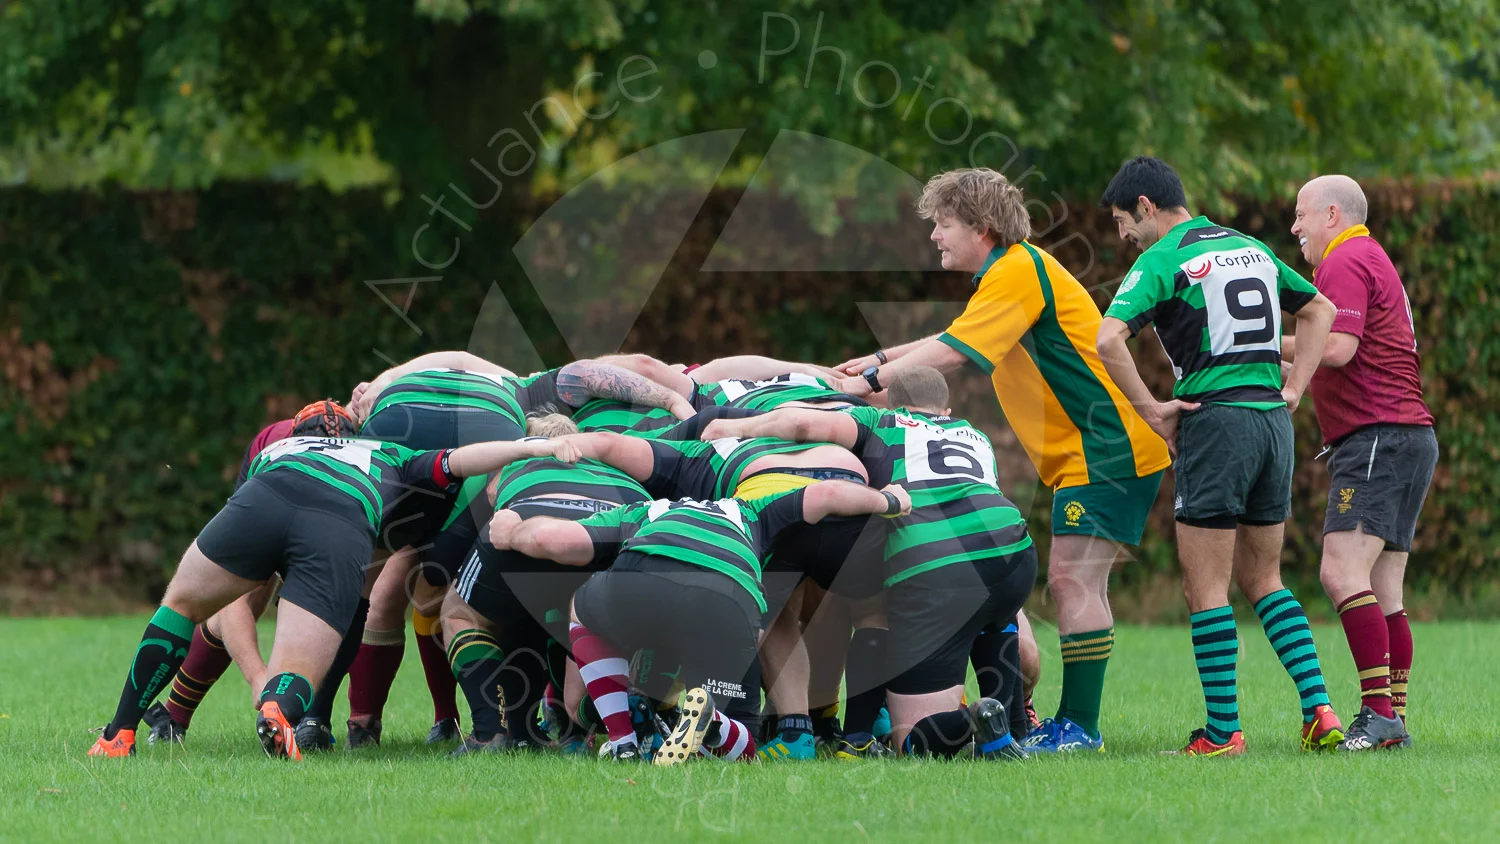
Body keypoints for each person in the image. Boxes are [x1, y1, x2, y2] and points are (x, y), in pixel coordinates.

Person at [833, 168, 1171, 754]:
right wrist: (874, 360)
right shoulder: (1010, 274)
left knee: (1073, 581)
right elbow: (951, 336)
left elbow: (954, 354)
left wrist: (862, 382)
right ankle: (1058, 721)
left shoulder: (1016, 270)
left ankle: (1078, 728)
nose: (935, 236)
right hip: (1094, 454)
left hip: (1107, 449)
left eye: (943, 223)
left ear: (982, 228)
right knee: (1074, 582)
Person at [86, 399, 581, 760]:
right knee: (299, 665)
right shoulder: (387, 452)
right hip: (337, 522)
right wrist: (531, 446)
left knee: (179, 605)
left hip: (265, 498)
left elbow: (235, 583)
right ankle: (280, 710)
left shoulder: (273, 449)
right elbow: (460, 459)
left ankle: (118, 733)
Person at [1095, 155, 1343, 756]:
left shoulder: (1165, 258)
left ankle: (1222, 732)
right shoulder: (1250, 247)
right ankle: (1321, 714)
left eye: (1123, 222)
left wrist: (1153, 411)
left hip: (1214, 424)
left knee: (1205, 588)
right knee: (1266, 579)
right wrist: (1295, 389)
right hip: (1270, 425)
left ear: (1148, 207)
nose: (1122, 237)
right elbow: (1319, 311)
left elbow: (1106, 338)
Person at [342, 353, 694, 748]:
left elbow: (452, 549)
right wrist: (679, 401)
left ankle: (487, 729)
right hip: (610, 536)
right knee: (581, 641)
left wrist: (442, 562)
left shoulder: (512, 454)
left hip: (523, 520)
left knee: (457, 609)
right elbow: (643, 368)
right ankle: (621, 708)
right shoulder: (623, 467)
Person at [702, 366, 1038, 759]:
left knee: (910, 742)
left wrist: (735, 428)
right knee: (996, 615)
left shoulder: (879, 420)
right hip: (1015, 547)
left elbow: (802, 423)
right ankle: (1011, 728)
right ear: (945, 408)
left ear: (893, 402)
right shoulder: (976, 435)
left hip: (935, 563)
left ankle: (973, 720)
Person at [487, 478, 913, 764]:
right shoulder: (753, 509)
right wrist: (889, 499)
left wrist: (509, 529)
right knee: (746, 745)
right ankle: (714, 725)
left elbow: (555, 540)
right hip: (728, 601)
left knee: (582, 605)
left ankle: (622, 741)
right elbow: (826, 496)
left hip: (641, 581)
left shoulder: (646, 510)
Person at [1288, 175, 1438, 751]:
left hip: (1378, 437)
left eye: (1301, 215)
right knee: (1385, 588)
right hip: (1408, 437)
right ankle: (1392, 718)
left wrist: (1255, 342)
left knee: (1338, 571)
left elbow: (1337, 347)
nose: (1295, 227)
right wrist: (1274, 353)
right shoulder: (1372, 255)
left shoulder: (1344, 259)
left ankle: (1377, 715)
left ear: (1331, 214)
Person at [142, 417, 296, 744]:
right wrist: (259, 678)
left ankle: (321, 723)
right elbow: (233, 604)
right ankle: (172, 720)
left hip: (332, 514)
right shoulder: (272, 447)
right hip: (282, 488)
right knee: (234, 600)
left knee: (340, 603)